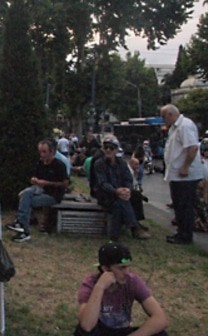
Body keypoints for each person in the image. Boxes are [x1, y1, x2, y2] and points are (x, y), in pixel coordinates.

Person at [74, 242, 169, 336]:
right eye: (122, 268)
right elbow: (87, 326)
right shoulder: (91, 284)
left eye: (128, 267)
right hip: (100, 331)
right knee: (83, 332)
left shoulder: (132, 281)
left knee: (160, 333)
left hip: (123, 331)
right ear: (105, 269)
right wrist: (100, 287)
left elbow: (160, 319)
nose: (127, 272)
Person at [6, 139, 68, 241]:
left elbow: (65, 184)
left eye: (44, 152)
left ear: (51, 152)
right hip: (39, 189)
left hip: (53, 194)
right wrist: (34, 180)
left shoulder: (59, 165)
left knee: (26, 200)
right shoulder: (40, 163)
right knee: (26, 195)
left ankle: (23, 227)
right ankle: (22, 227)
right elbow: (35, 178)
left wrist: (47, 183)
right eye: (40, 152)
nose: (42, 155)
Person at [160, 104, 203, 244]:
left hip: (185, 175)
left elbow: (192, 148)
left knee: (184, 206)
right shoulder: (175, 127)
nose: (163, 120)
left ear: (171, 114)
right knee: (178, 205)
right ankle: (181, 232)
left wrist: (185, 166)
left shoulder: (185, 126)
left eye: (163, 116)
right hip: (177, 175)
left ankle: (185, 235)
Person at [93, 136, 150, 241]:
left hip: (121, 192)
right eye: (106, 147)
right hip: (105, 194)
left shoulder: (122, 163)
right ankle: (134, 227)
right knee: (119, 202)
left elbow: (128, 179)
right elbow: (103, 183)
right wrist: (116, 191)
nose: (108, 150)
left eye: (111, 148)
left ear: (116, 149)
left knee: (135, 195)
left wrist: (127, 189)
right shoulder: (99, 163)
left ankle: (134, 223)